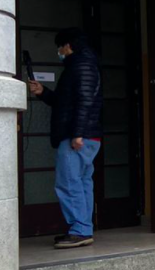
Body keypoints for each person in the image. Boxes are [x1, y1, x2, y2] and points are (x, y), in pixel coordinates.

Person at [27, 28, 103, 249]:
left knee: (68, 182)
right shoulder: (83, 64)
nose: (58, 52)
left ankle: (80, 230)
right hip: (88, 136)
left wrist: (77, 132)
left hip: (77, 136)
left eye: (59, 47)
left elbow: (84, 100)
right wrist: (43, 92)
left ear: (67, 46)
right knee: (82, 182)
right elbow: (66, 102)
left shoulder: (80, 65)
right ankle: (84, 228)